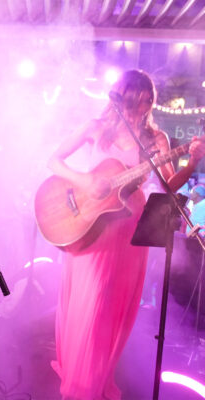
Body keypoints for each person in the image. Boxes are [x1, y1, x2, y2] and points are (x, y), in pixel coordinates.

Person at [47, 69, 205, 400]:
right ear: (124, 96)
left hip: (128, 229)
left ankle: (94, 379)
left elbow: (167, 185)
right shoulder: (96, 128)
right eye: (139, 100)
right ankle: (80, 386)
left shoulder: (156, 139)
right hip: (92, 225)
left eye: (150, 102)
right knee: (89, 304)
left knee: (111, 308)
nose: (144, 108)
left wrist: (191, 165)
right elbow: (54, 160)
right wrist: (85, 180)